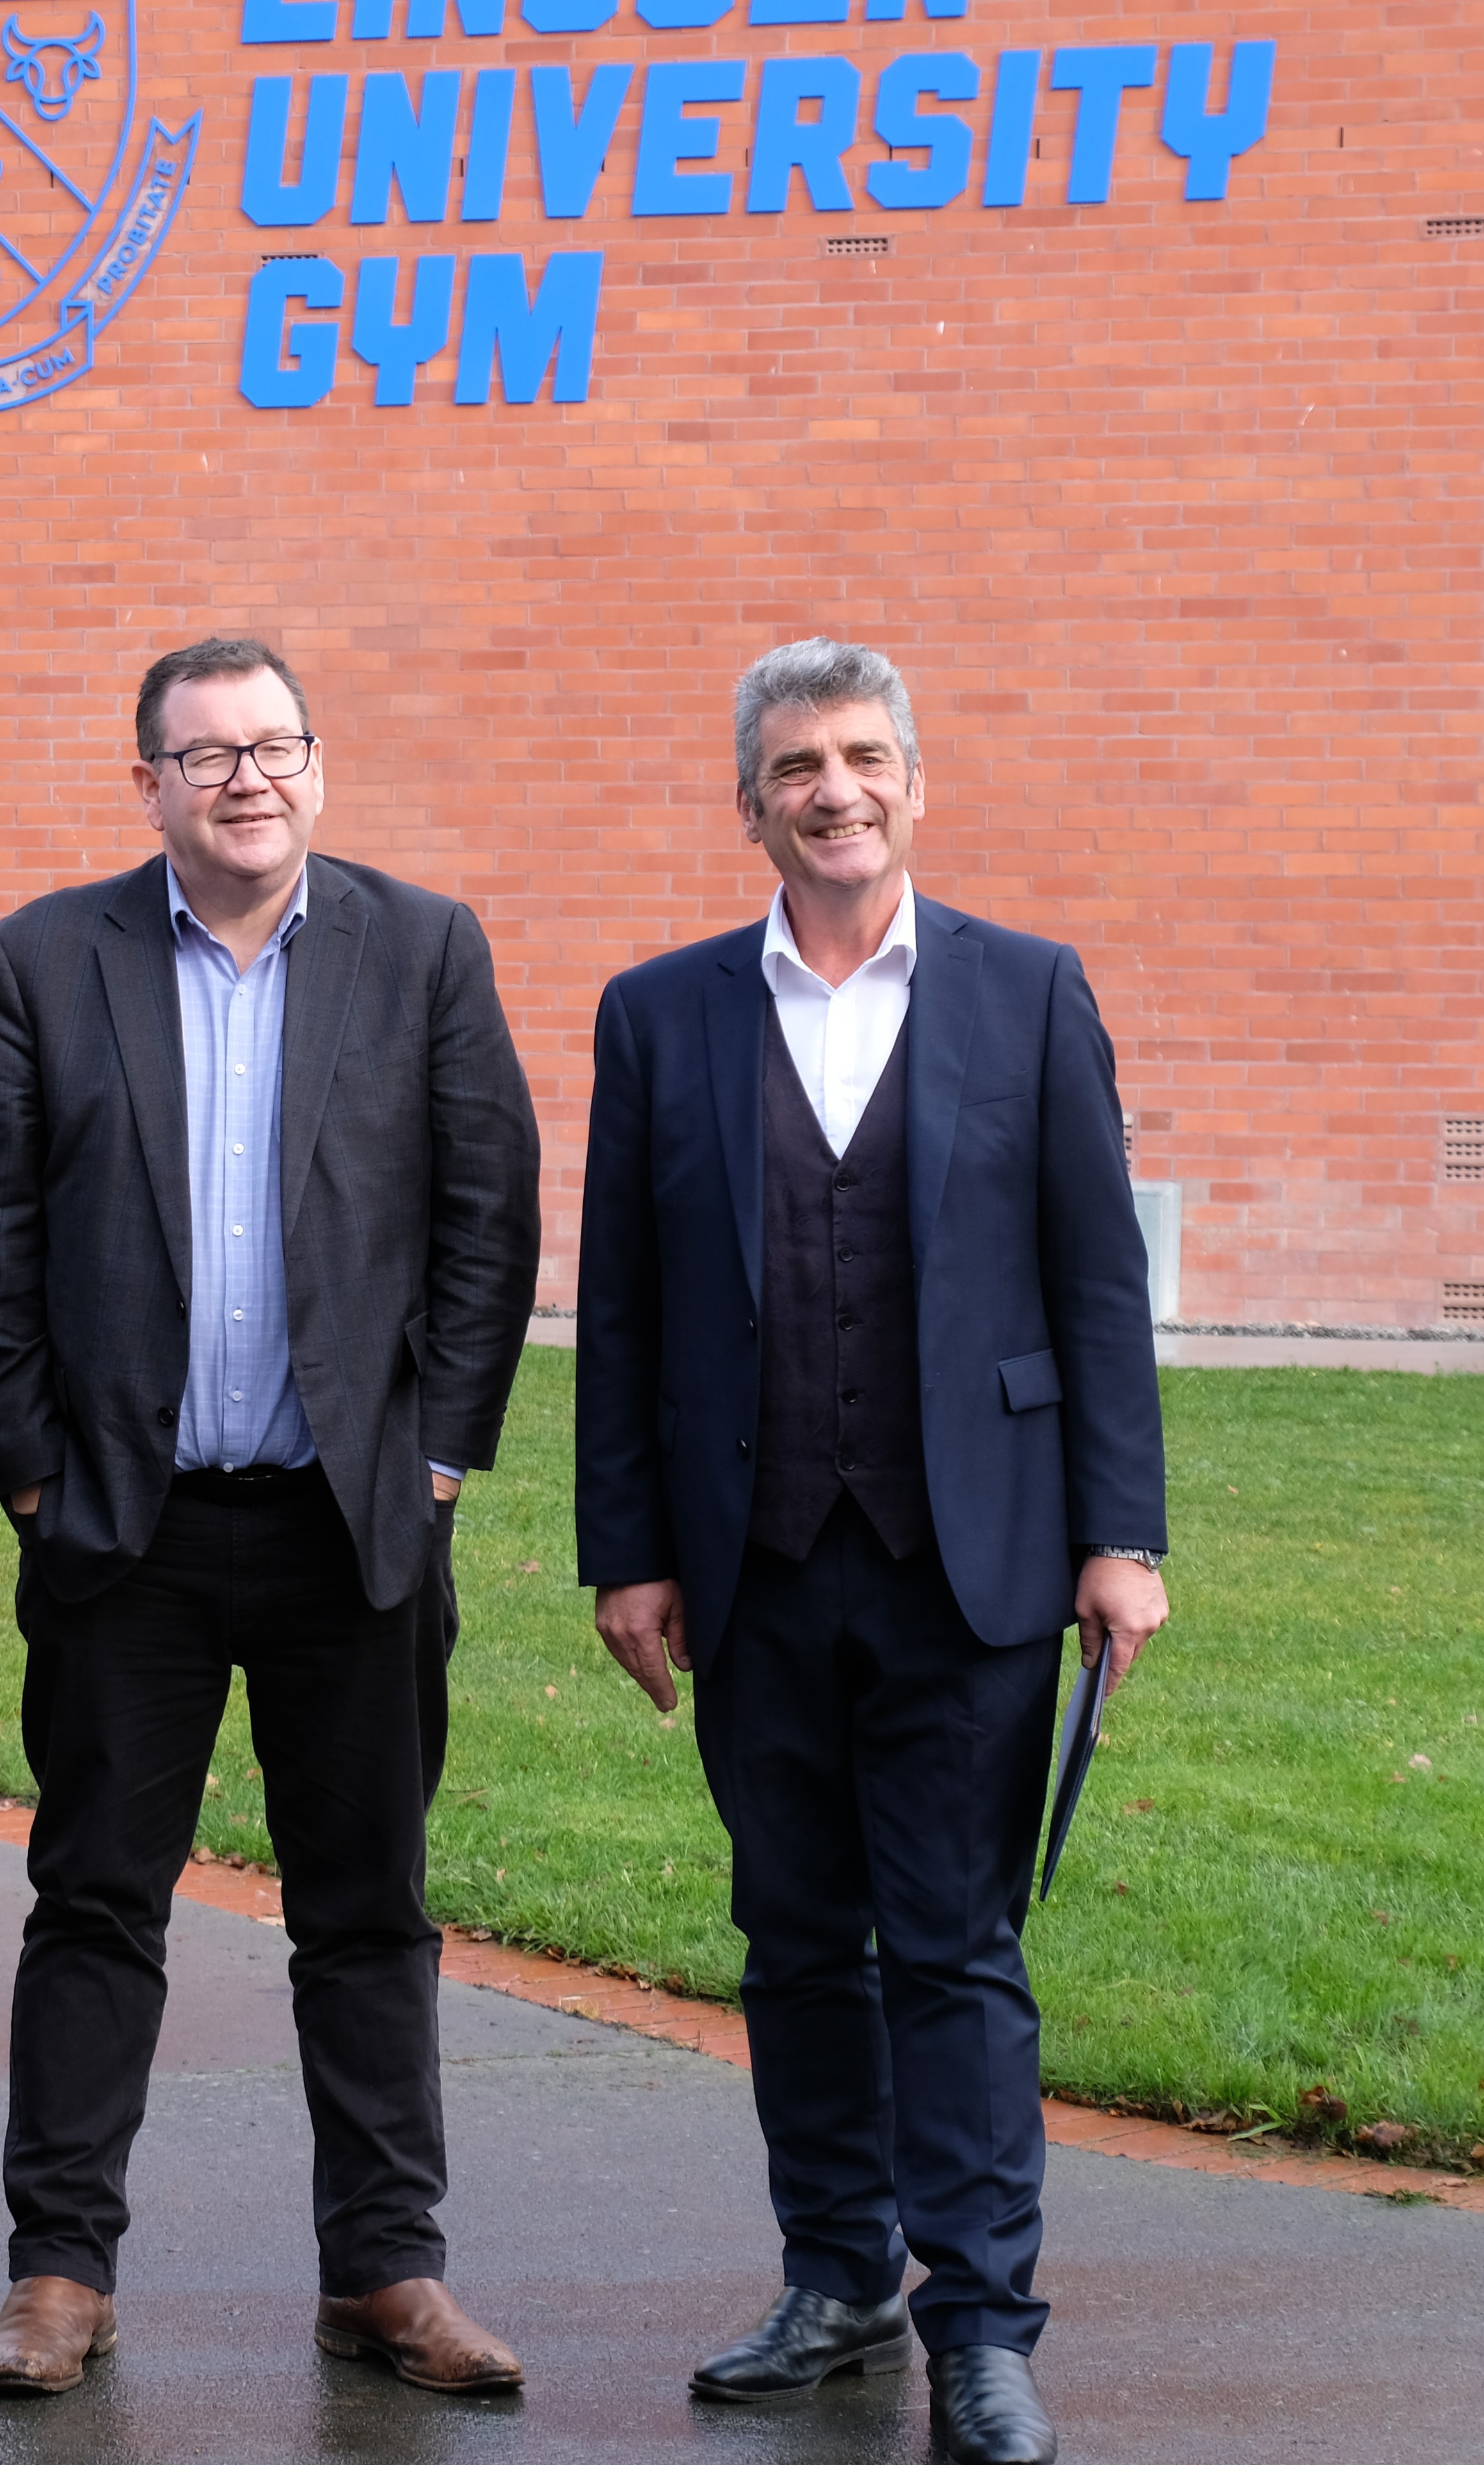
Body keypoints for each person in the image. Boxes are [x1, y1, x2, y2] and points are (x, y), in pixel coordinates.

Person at [576, 638, 1169, 2465]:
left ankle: (981, 2322)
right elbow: (624, 1302)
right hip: (756, 1567)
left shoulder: (1031, 994)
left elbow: (1096, 1286)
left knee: (959, 1949)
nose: (833, 790)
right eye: (794, 767)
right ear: (745, 803)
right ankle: (833, 2281)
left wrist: (1120, 1537)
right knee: (794, 1943)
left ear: (918, 779)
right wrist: (629, 1552)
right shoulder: (660, 1013)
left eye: (861, 758)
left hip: (970, 1563)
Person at [0, 636, 540, 2399]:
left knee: (368, 1908)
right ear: (150, 784)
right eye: (203, 755)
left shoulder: (421, 949)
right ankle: (60, 2272)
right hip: (125, 1529)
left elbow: (483, 1225)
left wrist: (432, 1467)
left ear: (318, 766)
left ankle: (388, 2273)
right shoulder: (45, 961)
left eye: (274, 746)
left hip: (350, 1526)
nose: (245, 779)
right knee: (94, 1900)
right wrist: (38, 1476)